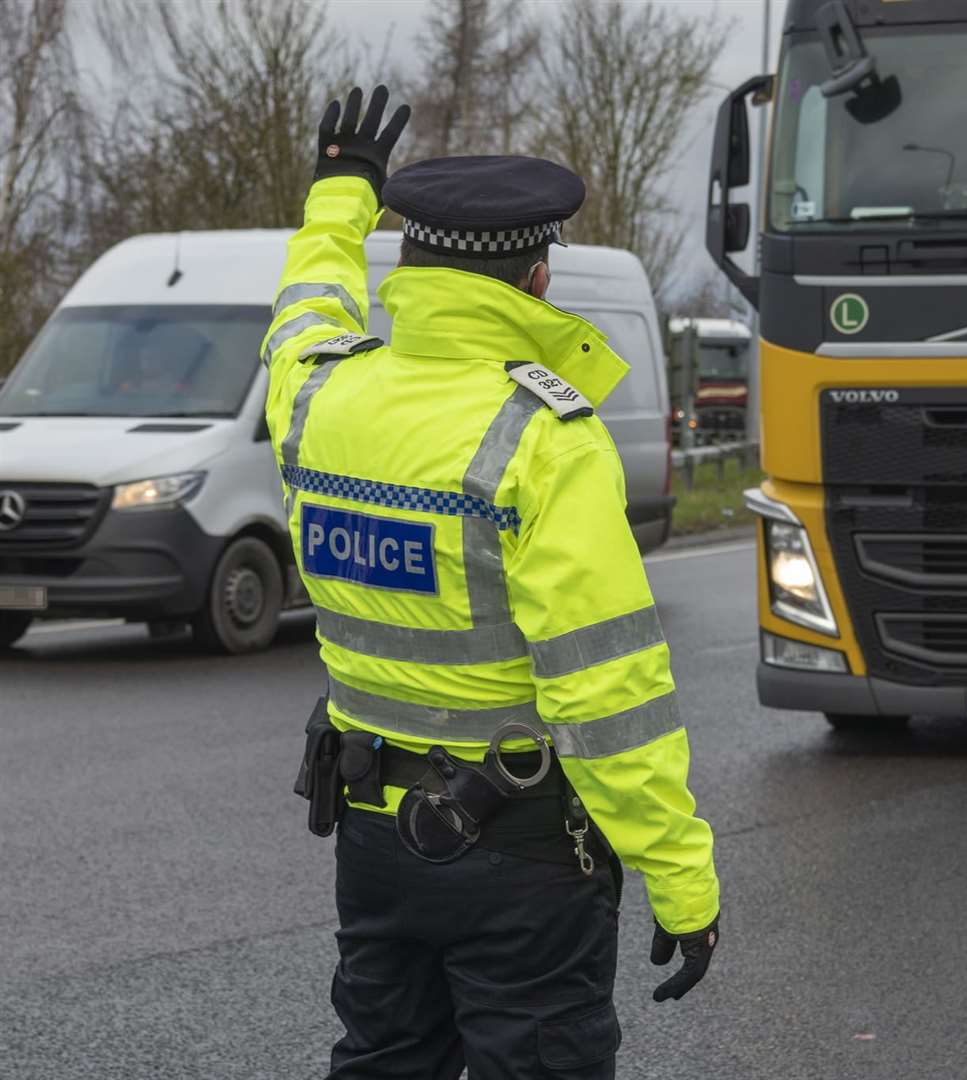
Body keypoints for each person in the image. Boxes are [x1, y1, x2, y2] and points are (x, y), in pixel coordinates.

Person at [265, 85, 720, 1080]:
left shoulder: (320, 392)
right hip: (521, 856)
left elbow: (305, 303)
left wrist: (343, 192)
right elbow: (608, 698)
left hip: (374, 839)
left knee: (383, 1060)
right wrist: (683, 884)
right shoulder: (544, 441)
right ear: (539, 276)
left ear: (411, 262)